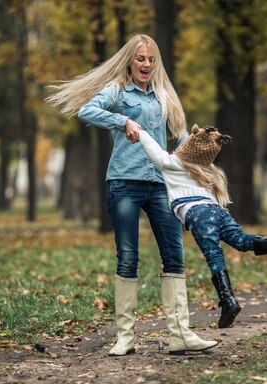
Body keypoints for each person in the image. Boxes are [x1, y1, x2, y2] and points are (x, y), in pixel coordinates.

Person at [46, 34, 217, 356]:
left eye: (151, 59)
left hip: (161, 185)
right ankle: (125, 337)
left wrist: (199, 146)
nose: (146, 64)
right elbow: (87, 111)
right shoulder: (117, 91)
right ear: (130, 60)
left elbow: (180, 139)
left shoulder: (165, 96)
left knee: (175, 256)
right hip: (124, 183)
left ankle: (180, 334)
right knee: (128, 256)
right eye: (140, 58)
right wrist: (122, 119)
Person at [133, 125, 267, 329]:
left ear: (186, 149)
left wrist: (139, 131)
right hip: (216, 211)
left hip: (198, 214)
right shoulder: (204, 168)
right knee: (240, 240)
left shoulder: (172, 163)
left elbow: (152, 149)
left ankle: (228, 301)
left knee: (214, 255)